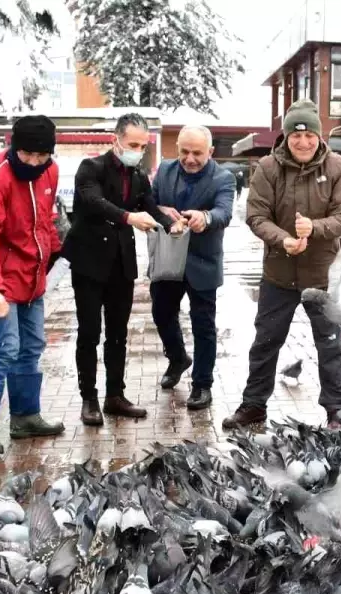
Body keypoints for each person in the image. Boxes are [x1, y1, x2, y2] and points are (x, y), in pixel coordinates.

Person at [222, 99, 341, 432]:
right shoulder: (268, 167)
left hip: (322, 278)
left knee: (330, 345)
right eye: (296, 135)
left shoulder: (338, 167)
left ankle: (336, 411)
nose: (303, 142)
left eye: (309, 134)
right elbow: (256, 215)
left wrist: (315, 228)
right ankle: (254, 406)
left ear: (319, 136)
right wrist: (283, 239)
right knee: (266, 342)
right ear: (286, 137)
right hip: (278, 274)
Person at [62, 113, 173, 426]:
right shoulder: (90, 168)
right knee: (89, 332)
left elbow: (150, 205)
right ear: (116, 140)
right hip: (89, 261)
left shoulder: (138, 176)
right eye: (132, 144)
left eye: (141, 145)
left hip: (121, 264)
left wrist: (169, 224)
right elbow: (95, 202)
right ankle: (89, 398)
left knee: (118, 333)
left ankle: (115, 395)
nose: (137, 150)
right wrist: (129, 218)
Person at [0, 115, 66, 456]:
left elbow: (44, 220)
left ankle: (25, 416)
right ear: (13, 146)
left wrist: (58, 250)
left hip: (32, 277)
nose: (35, 163)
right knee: (7, 348)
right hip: (2, 280)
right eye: (27, 155)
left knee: (32, 346)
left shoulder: (49, 171)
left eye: (42, 156)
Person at [151, 125, 236, 411]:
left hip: (202, 263)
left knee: (204, 327)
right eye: (184, 152)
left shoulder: (223, 178)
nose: (189, 158)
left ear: (210, 152)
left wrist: (206, 217)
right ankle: (178, 358)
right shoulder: (164, 170)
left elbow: (224, 212)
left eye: (197, 153)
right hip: (167, 259)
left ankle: (202, 385)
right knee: (162, 314)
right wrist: (160, 211)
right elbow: (148, 202)